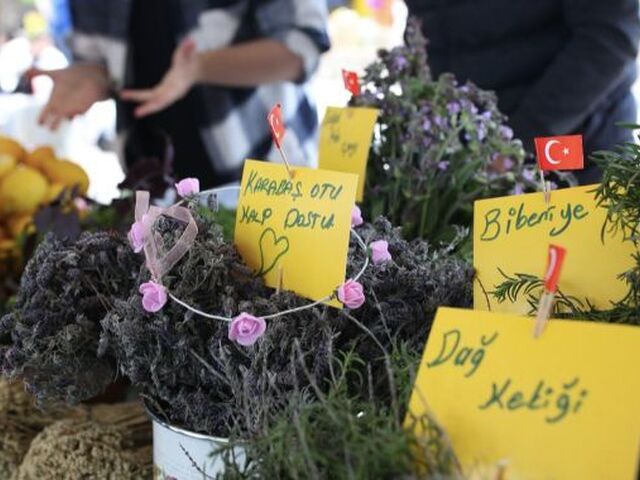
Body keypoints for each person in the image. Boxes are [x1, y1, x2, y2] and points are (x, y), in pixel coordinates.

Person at [35, 0, 329, 187]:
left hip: (265, 170)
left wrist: (200, 68)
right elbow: (99, 58)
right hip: (153, 184)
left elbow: (301, 45)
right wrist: (92, 74)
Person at [405, 0, 640, 183]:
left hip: (572, 151)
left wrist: (515, 142)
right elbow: (428, 26)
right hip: (457, 163)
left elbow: (609, 39)